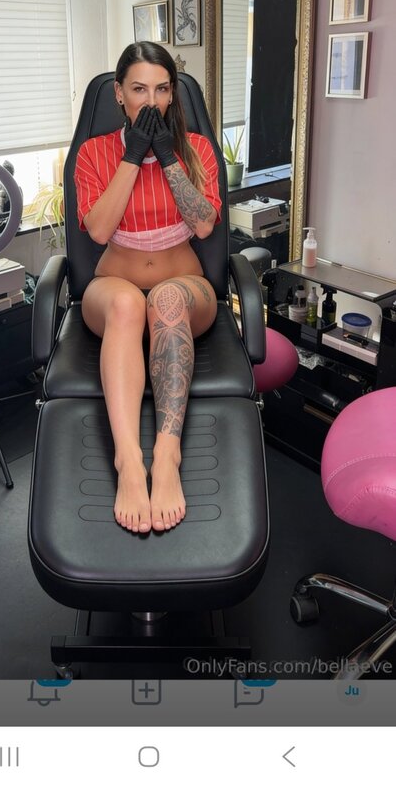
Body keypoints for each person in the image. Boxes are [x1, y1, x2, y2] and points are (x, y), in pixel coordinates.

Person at [74, 42, 222, 535]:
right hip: (114, 284)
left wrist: (168, 156)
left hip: (184, 285)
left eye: (161, 89)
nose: (151, 101)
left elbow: (204, 225)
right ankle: (129, 462)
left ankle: (166, 454)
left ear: (173, 93)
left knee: (165, 299)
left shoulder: (196, 149)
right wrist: (133, 156)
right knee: (126, 303)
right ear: (119, 94)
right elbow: (98, 231)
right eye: (139, 89)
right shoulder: (94, 153)